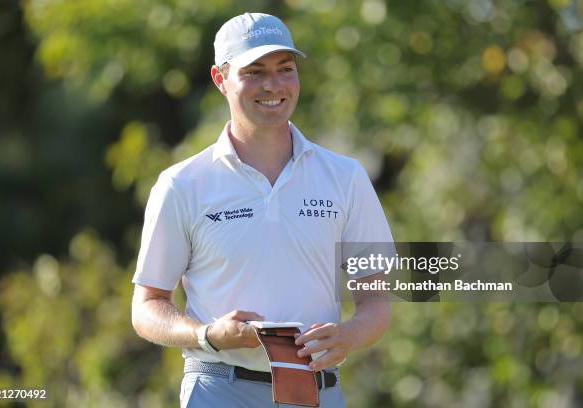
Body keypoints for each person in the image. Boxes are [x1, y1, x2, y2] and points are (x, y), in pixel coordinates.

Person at [131, 12, 394, 407]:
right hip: (218, 388)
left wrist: (349, 335)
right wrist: (207, 335)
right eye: (254, 72)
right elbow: (147, 306)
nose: (273, 85)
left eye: (285, 69)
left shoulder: (345, 177)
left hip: (318, 392)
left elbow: (376, 301)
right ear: (221, 79)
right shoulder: (182, 184)